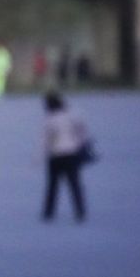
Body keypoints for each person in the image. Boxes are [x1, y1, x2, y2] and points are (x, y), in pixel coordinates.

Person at [42, 91, 88, 223]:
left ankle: (49, 212)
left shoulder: (50, 120)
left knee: (52, 186)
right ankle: (80, 212)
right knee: (75, 185)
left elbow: (45, 141)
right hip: (72, 155)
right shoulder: (72, 116)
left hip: (56, 156)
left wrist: (40, 157)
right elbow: (82, 133)